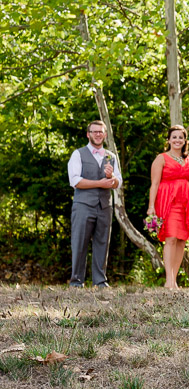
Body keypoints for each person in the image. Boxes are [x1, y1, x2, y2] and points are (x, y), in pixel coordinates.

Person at [67, 120, 122, 288]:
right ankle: (76, 281)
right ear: (88, 134)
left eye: (101, 132)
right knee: (79, 243)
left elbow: (118, 182)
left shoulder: (111, 156)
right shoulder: (78, 154)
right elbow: (75, 181)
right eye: (94, 131)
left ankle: (100, 281)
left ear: (105, 135)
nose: (98, 134)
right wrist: (100, 183)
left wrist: (111, 179)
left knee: (102, 243)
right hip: (83, 205)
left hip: (105, 206)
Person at [147, 125, 189, 289]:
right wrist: (151, 206)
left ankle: (174, 279)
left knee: (181, 240)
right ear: (169, 140)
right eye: (174, 137)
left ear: (185, 140)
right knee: (170, 238)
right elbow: (155, 184)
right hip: (167, 202)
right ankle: (169, 281)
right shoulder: (161, 158)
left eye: (181, 137)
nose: (177, 140)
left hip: (186, 203)